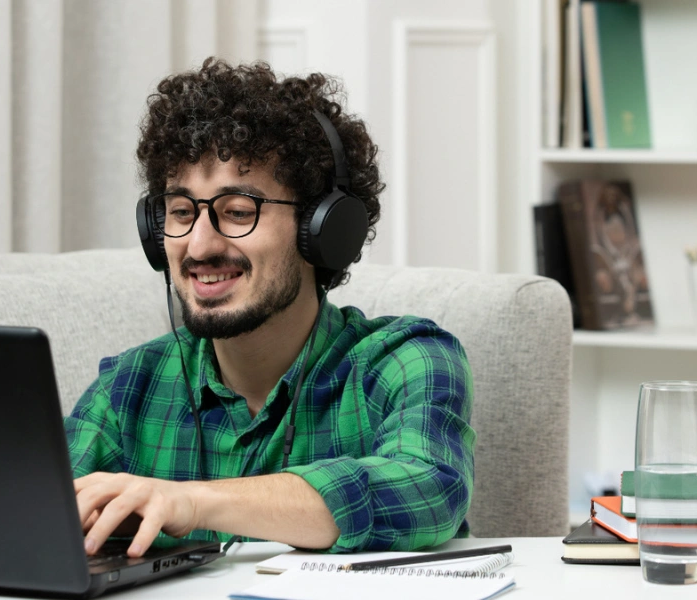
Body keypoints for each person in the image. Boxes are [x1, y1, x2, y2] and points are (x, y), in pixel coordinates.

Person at [65, 57, 475, 559]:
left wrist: (190, 502)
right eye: (179, 212)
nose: (198, 246)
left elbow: (431, 488)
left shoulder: (404, 362)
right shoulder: (129, 387)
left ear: (322, 231)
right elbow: (29, 516)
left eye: (237, 211)